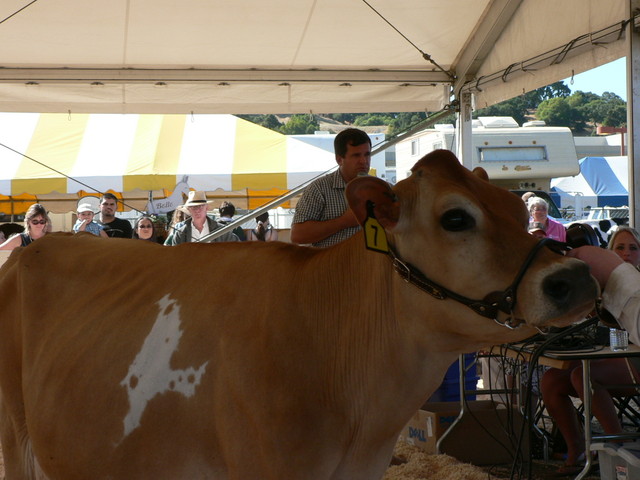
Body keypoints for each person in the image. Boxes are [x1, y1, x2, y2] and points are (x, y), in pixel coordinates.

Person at [540, 226, 640, 475]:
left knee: (582, 376)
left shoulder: (633, 287)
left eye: (633, 248)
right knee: (552, 380)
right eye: (620, 248)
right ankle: (578, 452)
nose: (627, 253)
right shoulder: (601, 286)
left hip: (634, 359)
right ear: (609, 252)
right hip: (614, 354)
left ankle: (615, 447)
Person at [290, 128, 371, 247]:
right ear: (339, 159)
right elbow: (297, 235)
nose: (363, 161)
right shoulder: (318, 189)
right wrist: (344, 221)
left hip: (370, 265)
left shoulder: (383, 190)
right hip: (331, 265)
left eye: (367, 154)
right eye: (356, 155)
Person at [170, 191, 239, 245]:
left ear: (207, 208)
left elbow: (237, 248)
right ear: (189, 209)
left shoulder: (222, 231)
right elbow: (176, 257)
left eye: (201, 206)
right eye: (193, 207)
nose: (197, 210)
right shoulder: (180, 234)